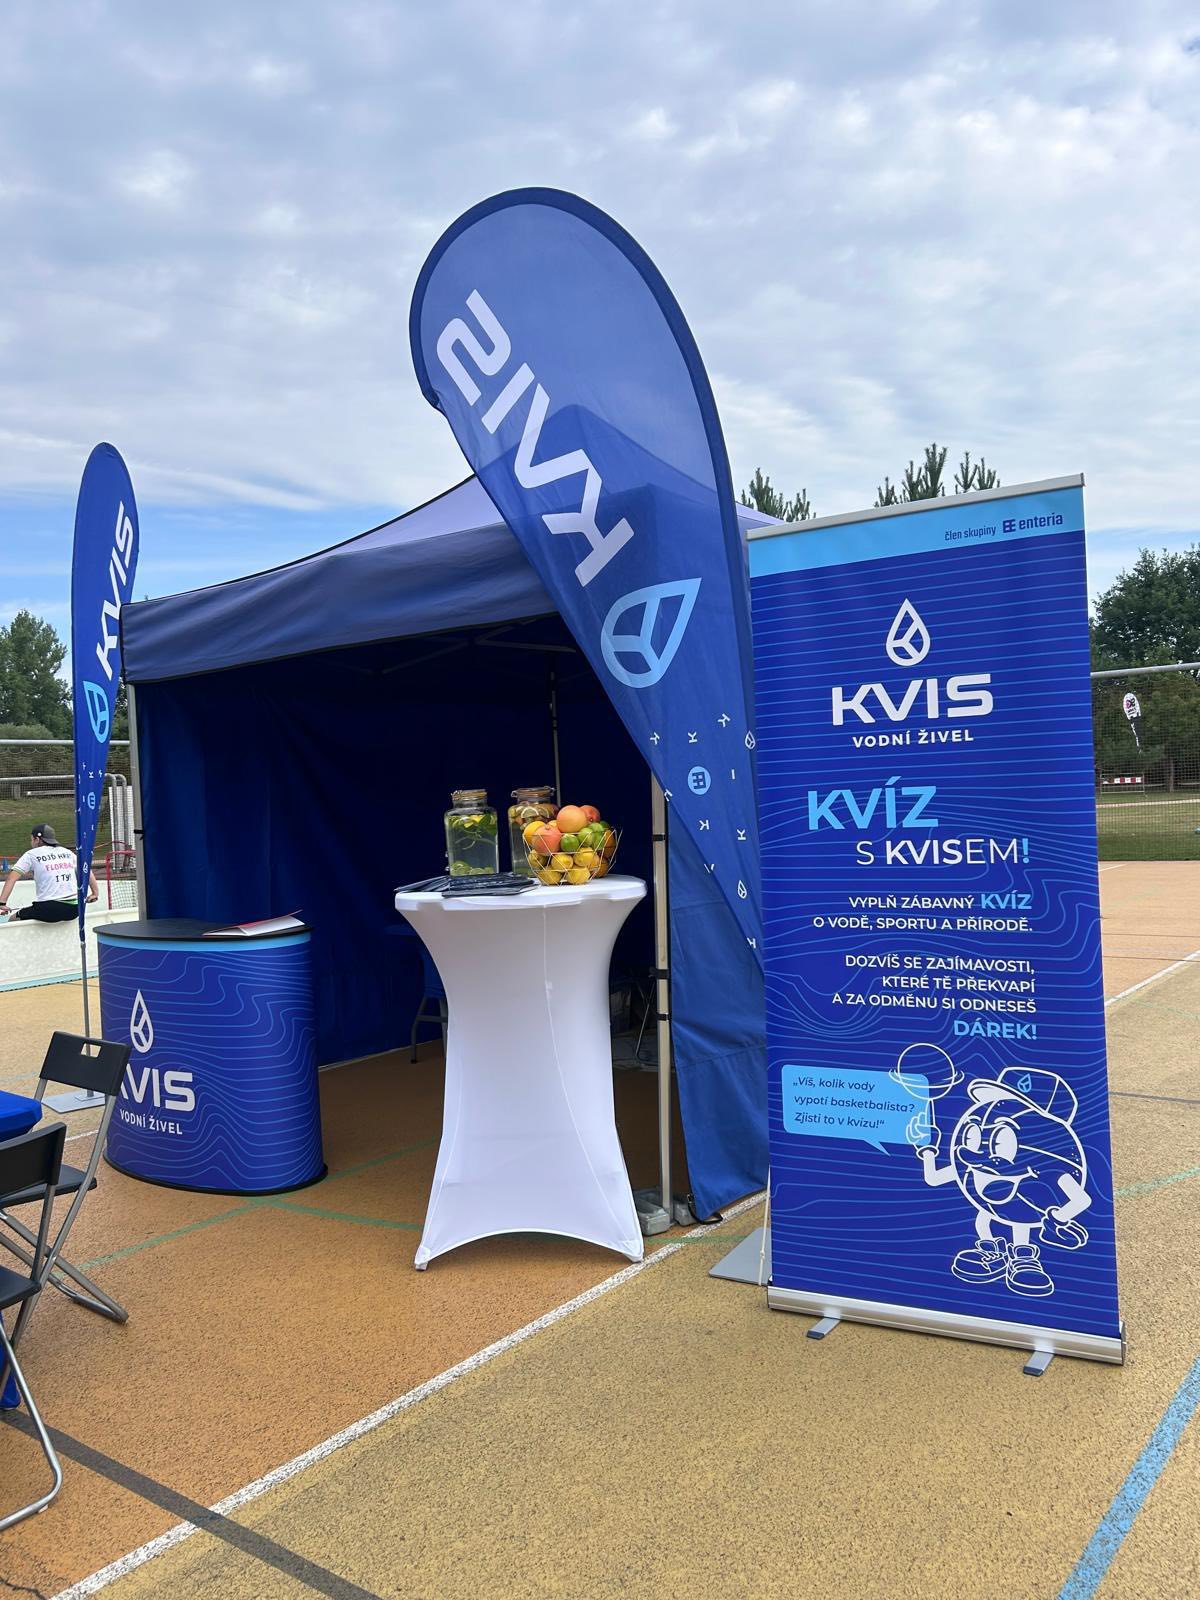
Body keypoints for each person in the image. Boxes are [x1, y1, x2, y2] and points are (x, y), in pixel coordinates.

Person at [0, 823, 98, 922]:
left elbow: (11, 878)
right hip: (75, 909)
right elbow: (86, 870)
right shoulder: (67, 852)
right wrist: (95, 893)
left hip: (48, 909)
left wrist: (2, 903)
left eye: (31, 839)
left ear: (37, 839)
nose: (31, 842)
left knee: (12, 920)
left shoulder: (31, 855)